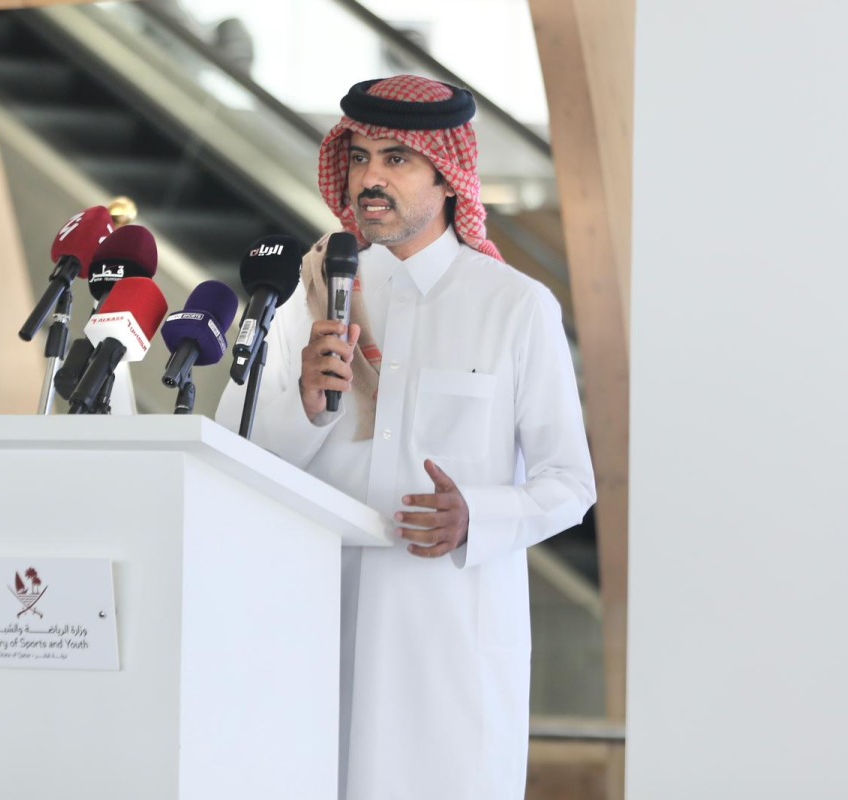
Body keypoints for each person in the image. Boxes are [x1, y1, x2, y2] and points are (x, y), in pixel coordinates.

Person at [215, 75, 596, 800]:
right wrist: (305, 402)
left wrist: (476, 515)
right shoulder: (307, 295)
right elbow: (238, 456)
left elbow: (570, 483)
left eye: (396, 159)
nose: (370, 179)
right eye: (360, 158)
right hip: (315, 627)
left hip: (445, 646)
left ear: (448, 177)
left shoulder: (515, 308)